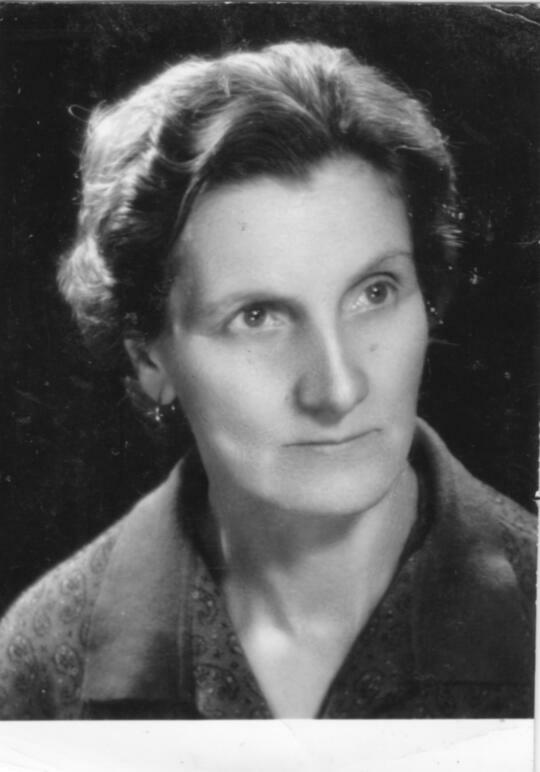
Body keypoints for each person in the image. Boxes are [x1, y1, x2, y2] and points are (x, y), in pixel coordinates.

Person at [0, 41, 535, 720]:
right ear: (150, 361)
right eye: (257, 316)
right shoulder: (40, 666)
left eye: (374, 291)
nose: (338, 389)